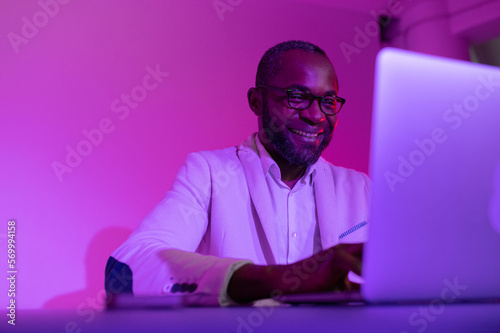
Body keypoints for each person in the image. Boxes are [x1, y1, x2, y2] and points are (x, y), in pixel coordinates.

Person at [105, 40, 371, 306]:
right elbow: (127, 268)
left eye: (328, 101)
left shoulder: (361, 188)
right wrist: (286, 278)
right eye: (297, 97)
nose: (316, 116)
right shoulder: (209, 173)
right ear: (256, 101)